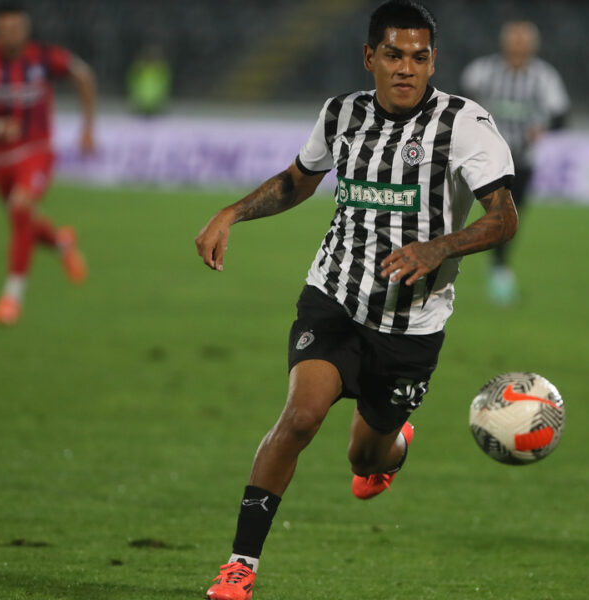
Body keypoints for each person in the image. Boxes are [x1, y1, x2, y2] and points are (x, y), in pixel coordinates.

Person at [194, 2, 517, 598]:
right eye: (393, 55)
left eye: (419, 57)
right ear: (370, 57)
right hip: (335, 297)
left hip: (411, 323)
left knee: (365, 459)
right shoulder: (341, 114)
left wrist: (438, 248)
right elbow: (298, 179)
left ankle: (390, 449)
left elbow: (504, 220)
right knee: (299, 418)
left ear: (432, 61)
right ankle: (240, 566)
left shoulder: (464, 125)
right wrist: (232, 213)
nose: (406, 68)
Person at [0, 1, 95, 325]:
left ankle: (11, 299)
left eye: (16, 28)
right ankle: (62, 243)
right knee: (24, 221)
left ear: (26, 28)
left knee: (20, 211)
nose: (11, 35)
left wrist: (88, 127)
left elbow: (83, 74)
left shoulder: (44, 56)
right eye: (4, 29)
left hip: (37, 150)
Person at [461, 20, 570, 306]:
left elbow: (560, 115)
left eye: (524, 43)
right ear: (505, 44)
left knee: (508, 217)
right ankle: (438, 261)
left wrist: (543, 128)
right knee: (453, 208)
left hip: (520, 160)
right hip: (479, 157)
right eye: (515, 42)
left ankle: (498, 268)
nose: (519, 48)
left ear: (533, 46)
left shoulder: (544, 77)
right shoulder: (482, 71)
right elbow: (460, 104)